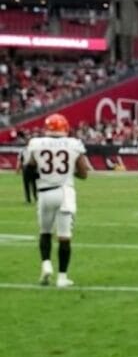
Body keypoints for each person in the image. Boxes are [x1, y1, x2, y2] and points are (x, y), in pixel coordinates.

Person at [25, 114, 89, 287]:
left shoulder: (36, 143)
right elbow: (83, 173)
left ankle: (46, 264)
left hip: (44, 193)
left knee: (45, 232)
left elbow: (29, 168)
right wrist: (69, 172)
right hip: (65, 192)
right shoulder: (74, 143)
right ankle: (62, 277)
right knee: (64, 237)